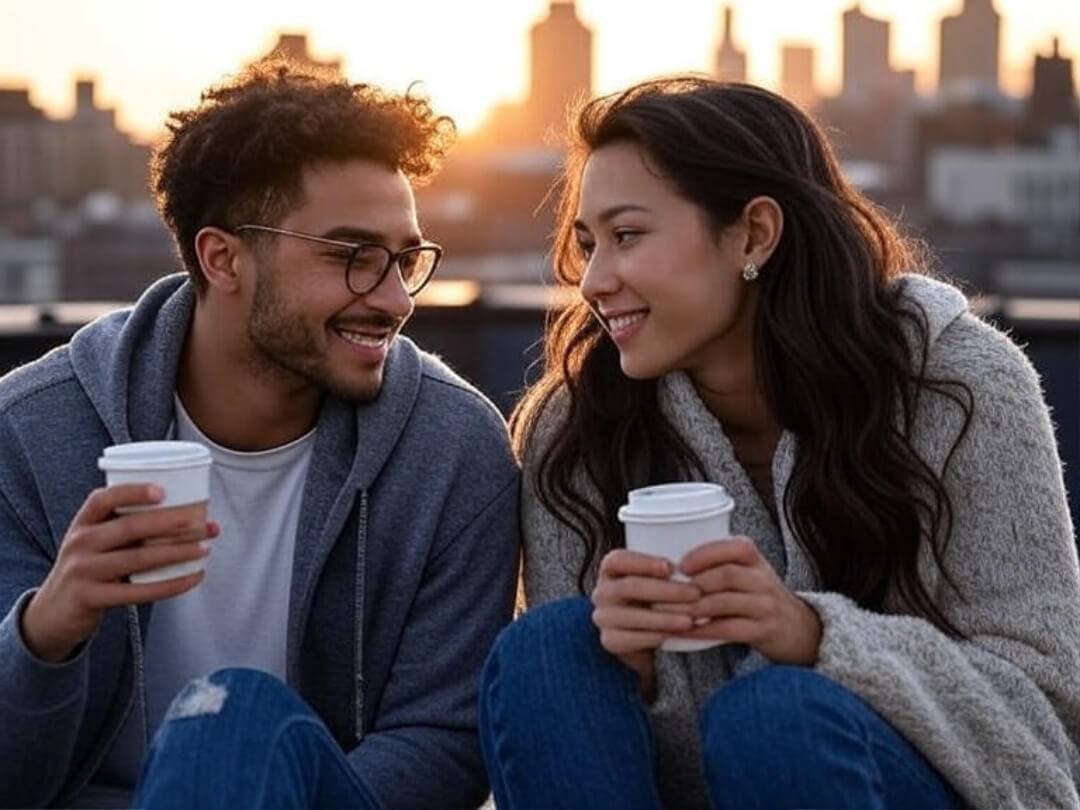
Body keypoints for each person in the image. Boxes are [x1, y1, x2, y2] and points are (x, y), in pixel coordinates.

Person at [478, 76, 1080, 810]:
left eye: (627, 235)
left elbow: (1045, 717)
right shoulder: (575, 427)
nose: (595, 280)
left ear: (755, 235)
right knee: (547, 653)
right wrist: (635, 675)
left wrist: (816, 635)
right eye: (586, 244)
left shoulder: (960, 386)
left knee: (775, 717)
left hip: (906, 782)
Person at [0, 59, 519, 810]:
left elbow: (445, 742)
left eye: (405, 260)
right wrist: (49, 630)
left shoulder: (454, 447)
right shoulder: (29, 432)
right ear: (223, 258)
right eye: (352, 258)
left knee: (231, 723)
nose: (397, 298)